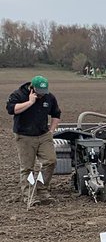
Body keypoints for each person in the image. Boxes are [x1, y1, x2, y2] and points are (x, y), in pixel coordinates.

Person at [6, 75, 61, 205]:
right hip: (24, 136)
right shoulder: (18, 94)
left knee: (50, 161)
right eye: (39, 93)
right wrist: (30, 102)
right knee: (27, 168)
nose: (41, 95)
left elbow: (56, 114)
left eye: (44, 92)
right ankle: (29, 195)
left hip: (43, 135)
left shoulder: (49, 97)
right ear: (32, 88)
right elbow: (11, 110)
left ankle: (42, 190)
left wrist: (52, 130)